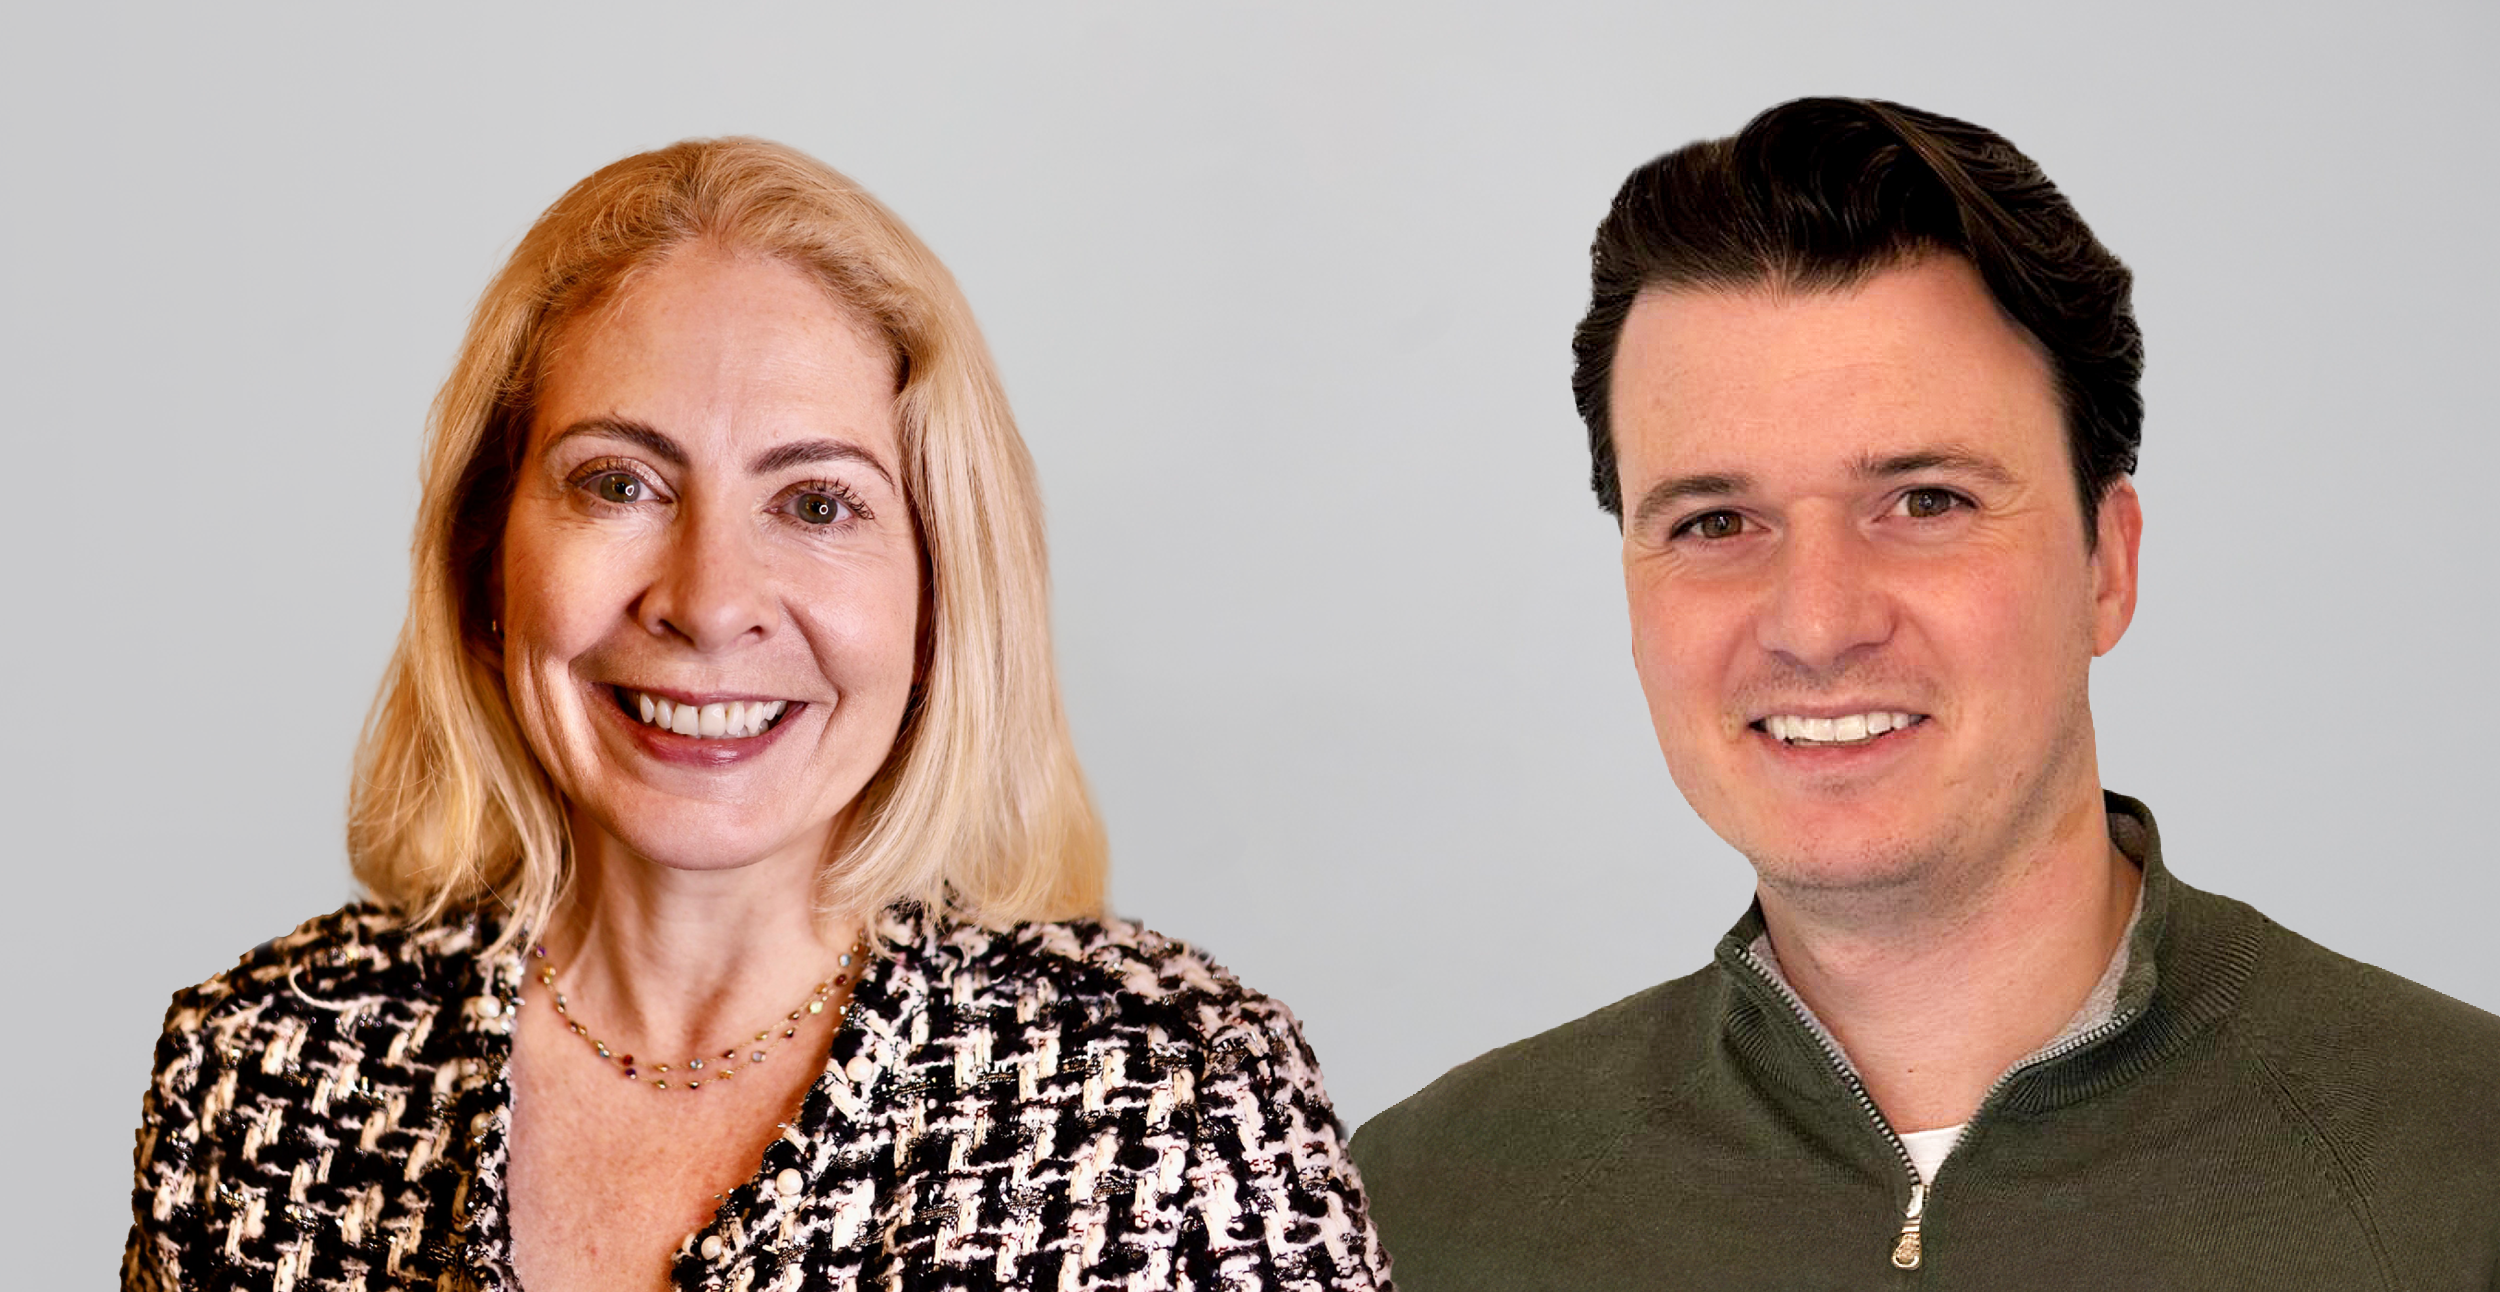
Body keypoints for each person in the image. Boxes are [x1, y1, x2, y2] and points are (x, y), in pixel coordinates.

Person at [124, 138, 1390, 1292]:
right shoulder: (260, 1063)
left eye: (818, 504)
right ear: (482, 569)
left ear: (940, 600)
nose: (709, 600)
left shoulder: (1175, 1103)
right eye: (619, 482)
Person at [1349, 97, 2500, 1288]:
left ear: (2107, 562)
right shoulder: (1411, 1214)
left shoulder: (2463, 1175)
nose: (1815, 622)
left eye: (1925, 500)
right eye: (1714, 521)